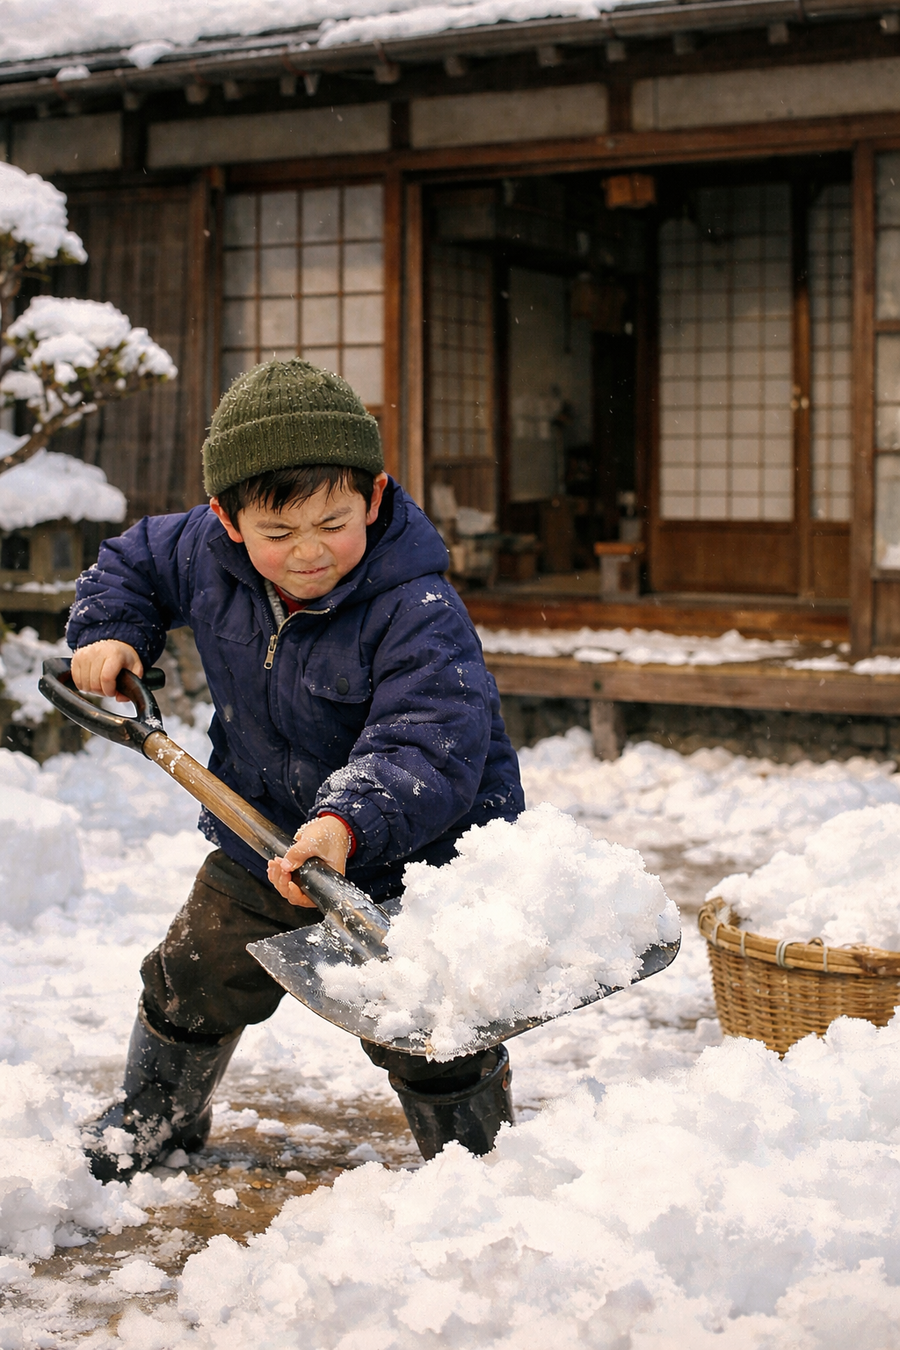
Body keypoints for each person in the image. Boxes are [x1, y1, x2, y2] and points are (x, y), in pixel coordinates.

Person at [67, 358, 524, 1181]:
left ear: (374, 498)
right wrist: (112, 632)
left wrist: (347, 822)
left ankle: (478, 1169)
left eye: (333, 523)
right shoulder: (202, 551)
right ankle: (154, 1117)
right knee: (191, 976)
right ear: (228, 519)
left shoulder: (416, 608)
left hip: (413, 860)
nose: (309, 552)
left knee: (432, 1028)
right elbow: (130, 564)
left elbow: (430, 742)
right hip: (265, 838)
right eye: (279, 534)